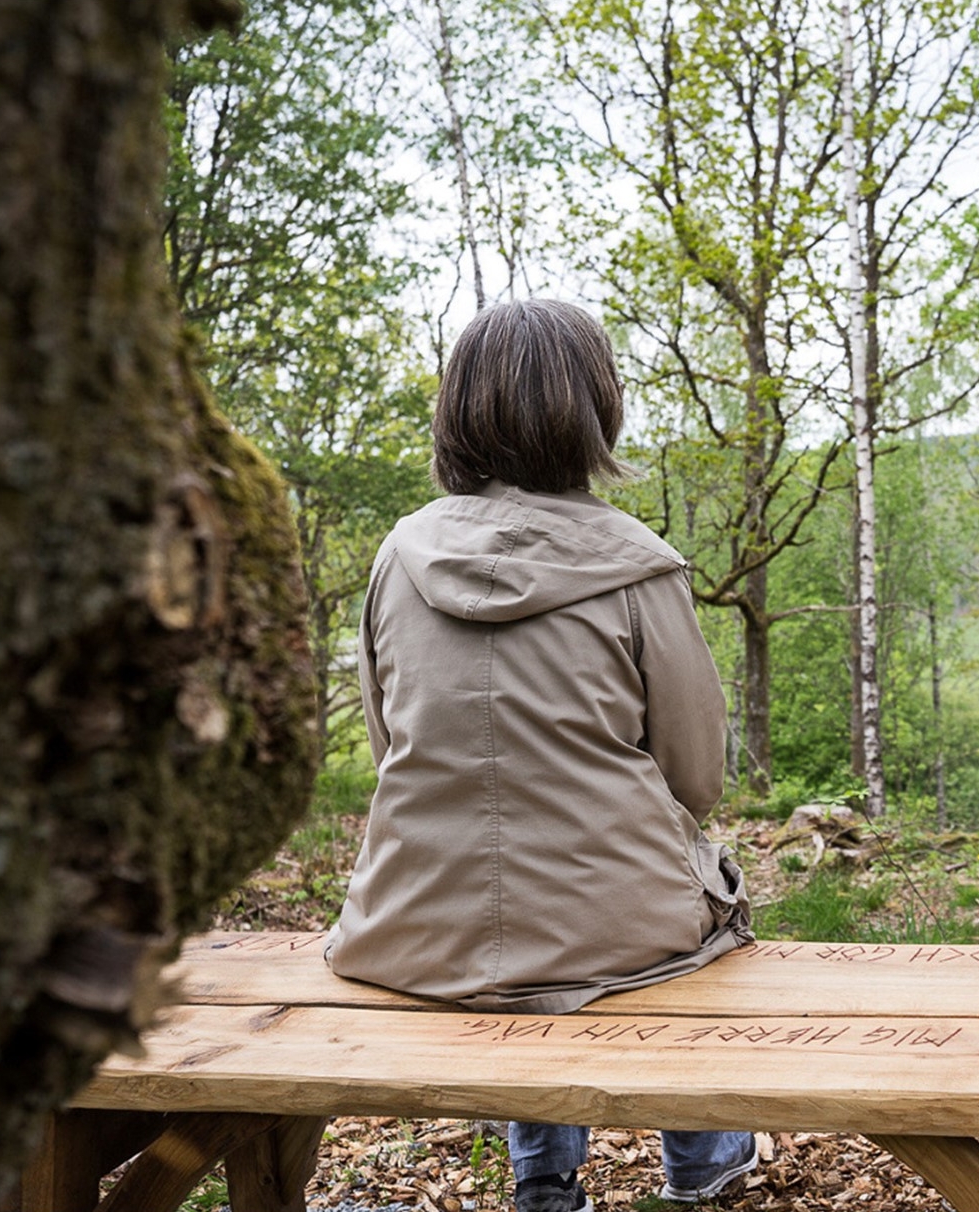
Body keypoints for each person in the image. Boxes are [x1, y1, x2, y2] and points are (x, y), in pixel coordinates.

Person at [324, 298, 760, 1211]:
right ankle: (703, 1158)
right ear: (595, 407)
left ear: (458, 410)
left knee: (538, 918)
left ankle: (545, 1177)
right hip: (617, 930)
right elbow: (694, 778)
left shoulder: (397, 560)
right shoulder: (641, 568)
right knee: (675, 912)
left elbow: (389, 743)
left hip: (415, 931)